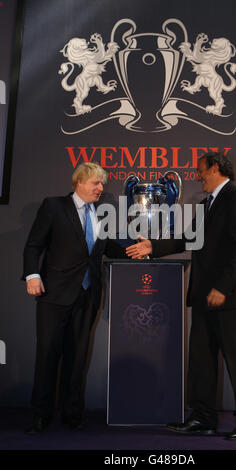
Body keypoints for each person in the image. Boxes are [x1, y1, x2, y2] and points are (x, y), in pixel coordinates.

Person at [126, 152, 236, 440]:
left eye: (200, 171)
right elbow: (188, 238)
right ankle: (203, 418)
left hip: (230, 296)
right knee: (201, 360)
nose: (197, 176)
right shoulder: (205, 204)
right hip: (202, 296)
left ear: (215, 168)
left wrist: (223, 288)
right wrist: (153, 246)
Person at [23, 162, 125, 434]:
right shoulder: (54, 206)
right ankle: (40, 415)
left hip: (88, 295)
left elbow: (108, 246)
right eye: (96, 184)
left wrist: (138, 250)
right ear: (80, 182)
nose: (101, 189)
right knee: (47, 356)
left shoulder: (100, 214)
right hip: (54, 294)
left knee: (78, 357)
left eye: (102, 184)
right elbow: (34, 245)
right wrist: (32, 275)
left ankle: (72, 413)